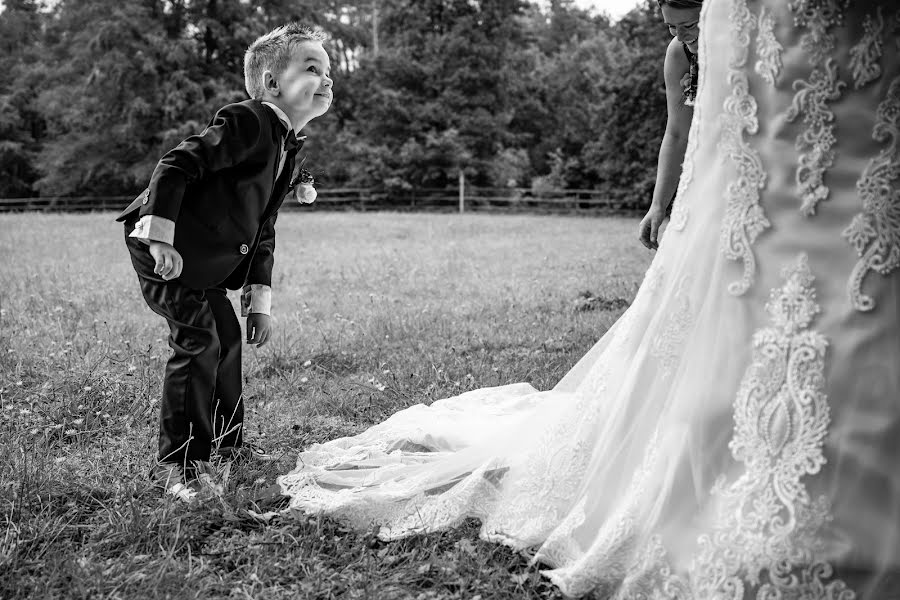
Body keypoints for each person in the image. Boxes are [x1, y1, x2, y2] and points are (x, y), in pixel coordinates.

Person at [280, 1, 900, 597]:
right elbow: (683, 131)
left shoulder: (733, 31)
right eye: (674, 22)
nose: (682, 29)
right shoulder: (688, 53)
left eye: (688, 18)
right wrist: (666, 207)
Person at [117, 23, 333, 502]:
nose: (327, 79)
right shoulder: (249, 120)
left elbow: (263, 231)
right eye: (312, 68)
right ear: (274, 84)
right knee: (199, 341)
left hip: (207, 260)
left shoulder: (287, 143)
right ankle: (180, 465)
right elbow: (175, 166)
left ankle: (230, 443)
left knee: (227, 338)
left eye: (329, 71)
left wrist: (258, 302)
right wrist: (161, 239)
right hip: (164, 248)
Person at [639, 0, 703, 251]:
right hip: (704, 168)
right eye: (671, 26)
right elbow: (677, 134)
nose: (681, 35)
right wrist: (658, 204)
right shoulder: (679, 53)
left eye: (689, 24)